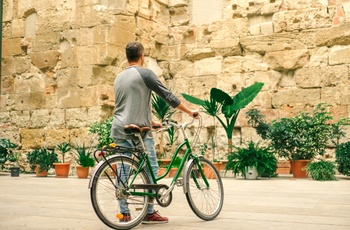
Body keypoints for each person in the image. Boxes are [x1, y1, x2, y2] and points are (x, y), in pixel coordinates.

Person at [110, 42, 199, 224]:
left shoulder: (119, 77)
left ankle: (124, 213)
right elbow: (168, 96)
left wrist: (151, 122)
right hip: (137, 132)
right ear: (142, 56)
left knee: (123, 168)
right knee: (151, 168)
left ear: (127, 57)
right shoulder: (145, 74)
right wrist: (190, 112)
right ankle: (149, 211)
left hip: (119, 127)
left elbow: (127, 105)